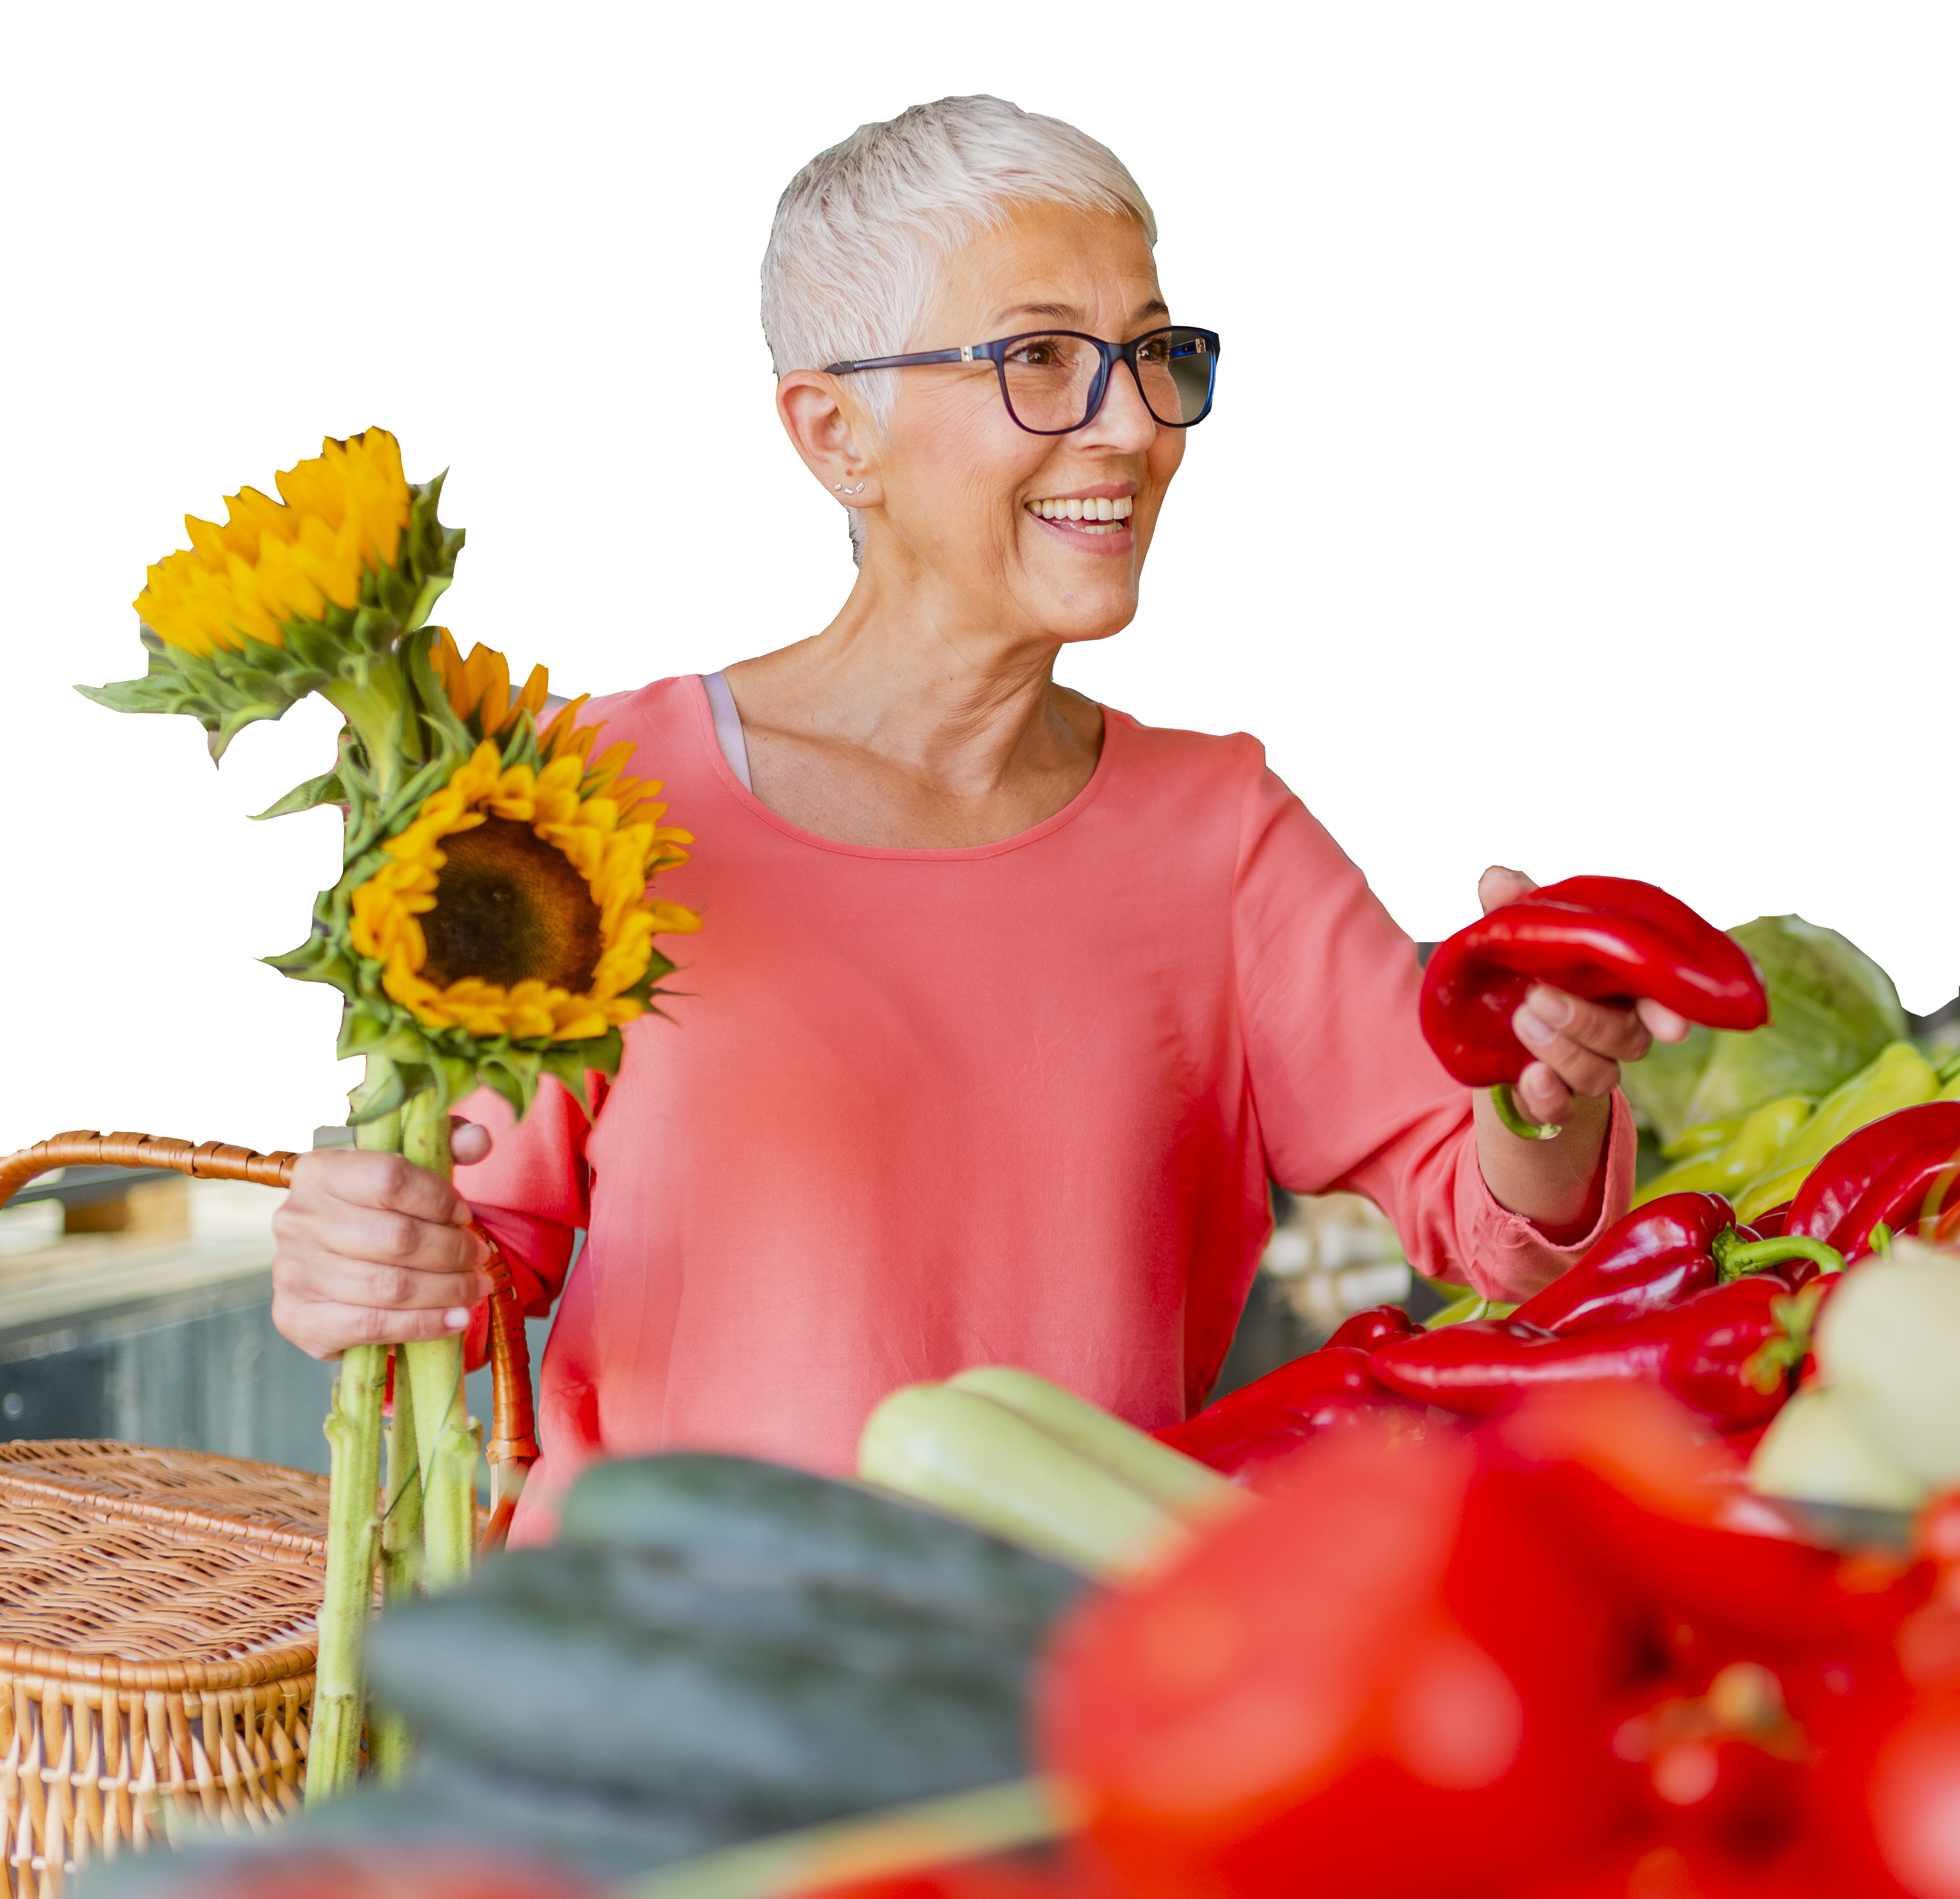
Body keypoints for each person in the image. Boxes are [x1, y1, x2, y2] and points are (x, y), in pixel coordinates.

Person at [271, 96, 1672, 1538]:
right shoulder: (589, 801)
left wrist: (1539, 1083)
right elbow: (472, 1275)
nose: (1129, 424)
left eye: (1146, 352)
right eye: (1042, 359)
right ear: (838, 435)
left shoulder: (1218, 836)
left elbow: (1502, 1225)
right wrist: (367, 1262)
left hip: (1069, 1707)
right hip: (663, 1701)